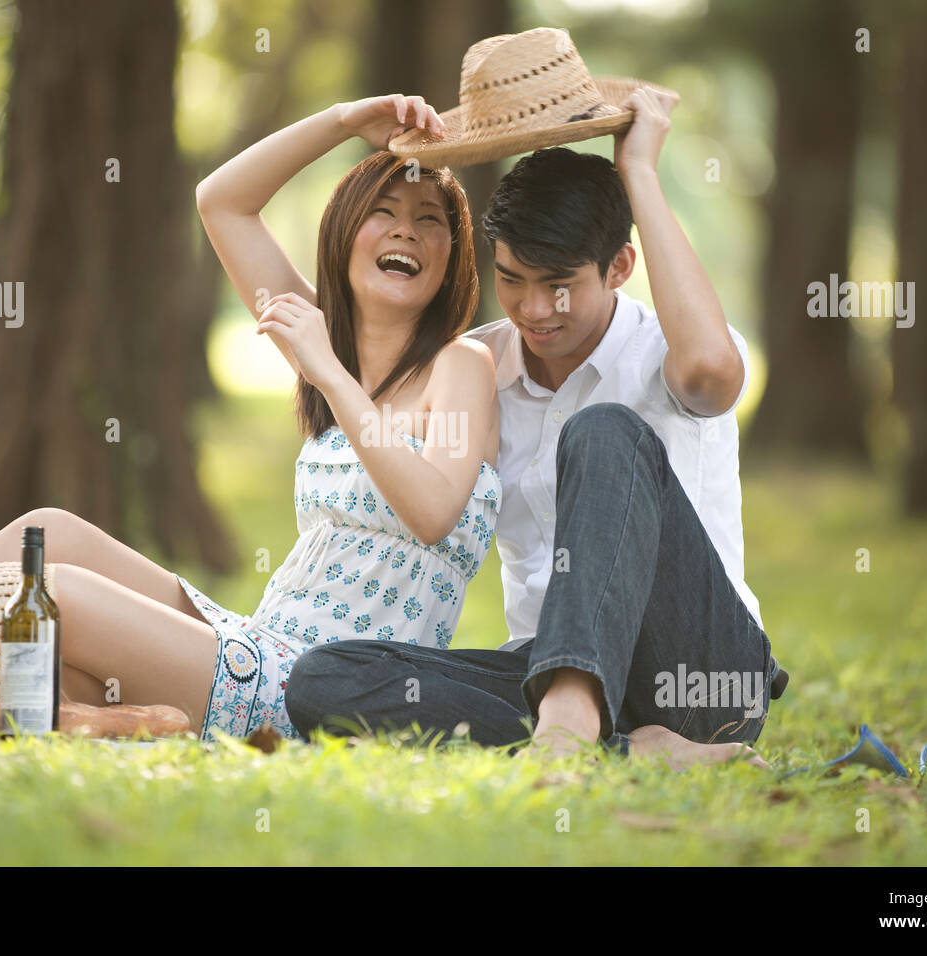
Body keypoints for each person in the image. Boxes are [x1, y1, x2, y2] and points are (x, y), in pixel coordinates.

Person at [0, 93, 501, 744]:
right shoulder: (328, 344)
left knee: (57, 600)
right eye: (384, 211)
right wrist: (345, 121)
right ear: (345, 235)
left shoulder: (458, 367)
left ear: (451, 258)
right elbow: (222, 201)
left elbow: (434, 509)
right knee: (46, 533)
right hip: (254, 639)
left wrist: (331, 376)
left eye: (430, 221)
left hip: (310, 687)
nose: (406, 231)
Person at [283, 28, 786, 769]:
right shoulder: (478, 367)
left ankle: (572, 732)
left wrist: (639, 172)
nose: (535, 309)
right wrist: (340, 122)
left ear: (618, 266)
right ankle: (624, 750)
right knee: (326, 676)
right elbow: (227, 213)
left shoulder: (665, 352)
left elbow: (714, 372)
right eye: (513, 279)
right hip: (542, 666)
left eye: (560, 286)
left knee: (605, 431)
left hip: (702, 679)